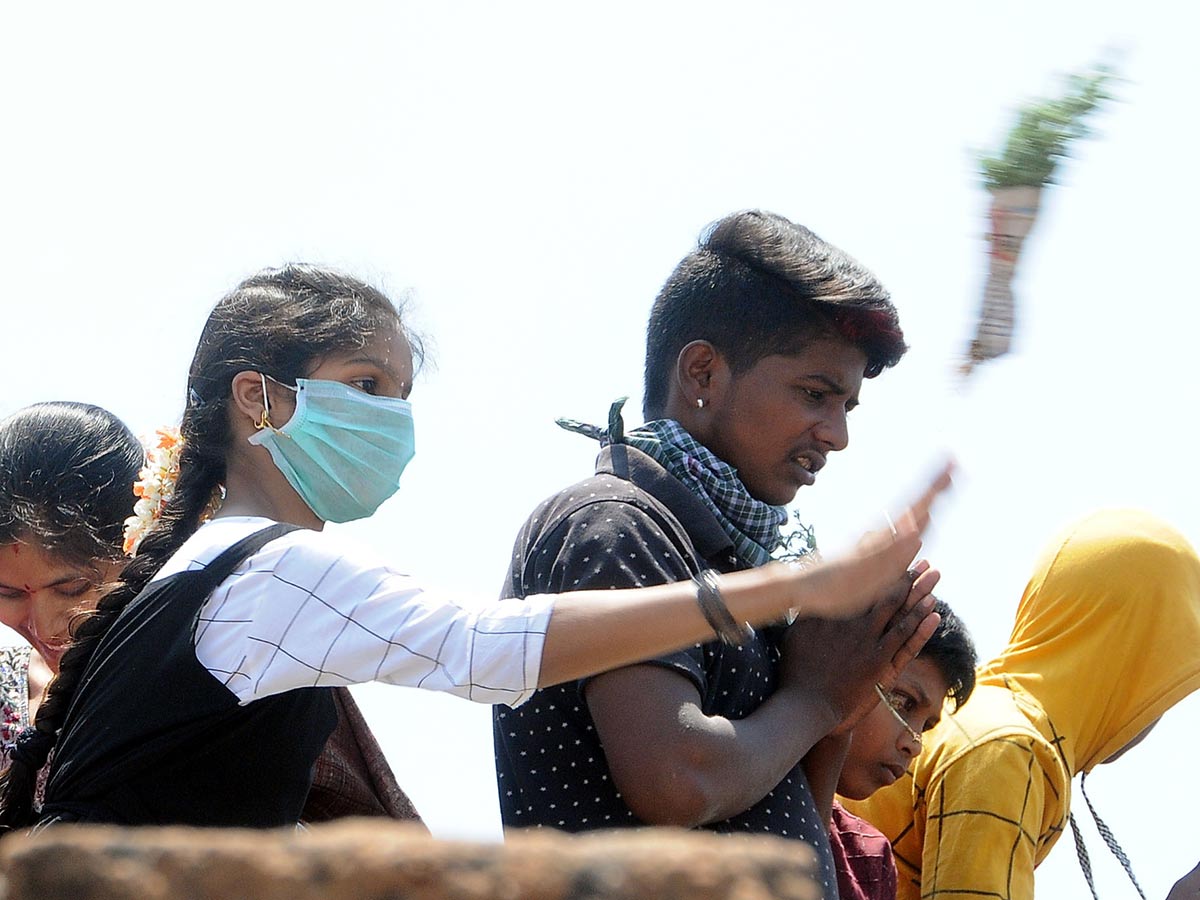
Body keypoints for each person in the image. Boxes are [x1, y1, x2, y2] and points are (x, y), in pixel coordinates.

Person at [0, 263, 949, 832]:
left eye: (403, 395)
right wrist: (773, 591)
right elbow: (489, 647)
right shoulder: (270, 572)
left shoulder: (199, 573)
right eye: (366, 385)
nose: (394, 422)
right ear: (260, 400)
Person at [492, 210, 933, 895]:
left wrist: (841, 701)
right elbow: (679, 781)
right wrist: (814, 701)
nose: (837, 433)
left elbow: (792, 840)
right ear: (702, 371)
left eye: (848, 405)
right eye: (815, 394)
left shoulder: (743, 566)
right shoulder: (617, 523)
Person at [0, 401, 419, 824]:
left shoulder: (232, 658)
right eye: (7, 593)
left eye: (72, 588)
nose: (45, 623)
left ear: (142, 546)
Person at [843, 509, 1200, 900]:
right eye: (1161, 687)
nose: (1150, 713)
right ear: (1130, 667)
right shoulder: (1010, 747)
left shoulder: (975, 710)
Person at [800, 598, 977, 900]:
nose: (915, 744)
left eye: (927, 727)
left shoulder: (870, 860)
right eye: (904, 702)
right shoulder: (732, 781)